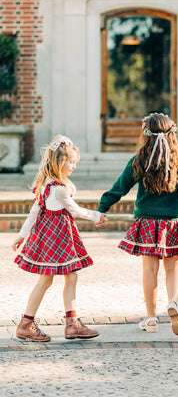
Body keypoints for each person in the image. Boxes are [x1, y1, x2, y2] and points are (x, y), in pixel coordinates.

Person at [97, 113, 178, 335]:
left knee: (149, 270)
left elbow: (119, 188)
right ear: (172, 134)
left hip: (146, 222)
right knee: (173, 268)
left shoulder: (139, 160)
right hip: (171, 224)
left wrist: (101, 209)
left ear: (145, 135)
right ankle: (173, 302)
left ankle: (151, 318)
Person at [12, 135, 107, 342]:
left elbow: (33, 214)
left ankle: (71, 324)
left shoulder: (45, 185)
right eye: (71, 162)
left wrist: (21, 235)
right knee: (47, 280)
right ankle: (26, 324)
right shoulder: (59, 189)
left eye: (75, 162)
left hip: (48, 238)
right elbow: (75, 210)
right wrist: (96, 216)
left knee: (68, 277)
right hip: (58, 239)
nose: (74, 166)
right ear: (59, 162)